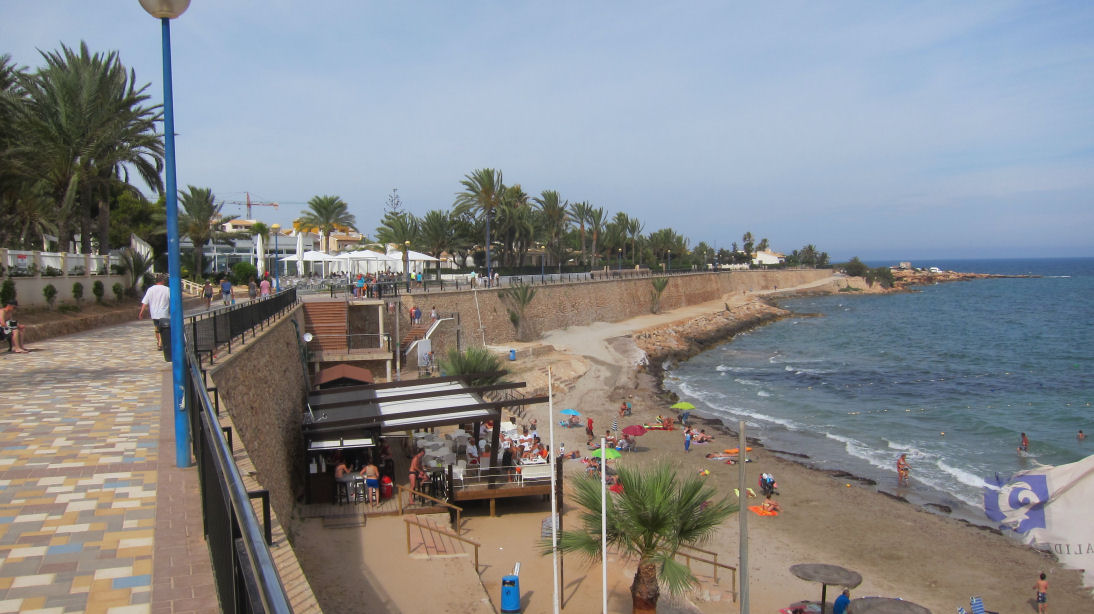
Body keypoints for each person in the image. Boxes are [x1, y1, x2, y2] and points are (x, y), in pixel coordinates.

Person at [138, 274, 171, 350]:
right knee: (163, 329)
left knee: (157, 328)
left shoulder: (150, 289)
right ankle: (160, 343)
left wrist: (141, 312)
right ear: (163, 281)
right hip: (164, 313)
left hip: (154, 313)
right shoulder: (167, 289)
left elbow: (145, 302)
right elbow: (171, 300)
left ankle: (159, 342)